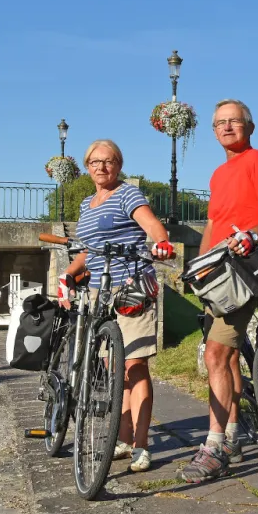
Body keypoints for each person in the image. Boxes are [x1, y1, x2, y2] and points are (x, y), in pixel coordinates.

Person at [182, 99, 258, 484]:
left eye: (234, 121)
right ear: (213, 132)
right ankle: (231, 435)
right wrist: (197, 268)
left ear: (250, 126)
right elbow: (213, 223)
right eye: (219, 123)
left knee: (216, 352)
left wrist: (252, 234)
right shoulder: (218, 174)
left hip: (245, 268)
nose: (226, 128)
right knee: (226, 358)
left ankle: (213, 447)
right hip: (220, 271)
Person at [59, 139, 174, 472]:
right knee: (115, 371)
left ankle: (141, 444)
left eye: (108, 161)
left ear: (119, 165)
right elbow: (88, 251)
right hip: (100, 294)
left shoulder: (128, 195)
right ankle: (121, 440)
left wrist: (162, 242)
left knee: (135, 367)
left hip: (131, 289)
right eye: (95, 162)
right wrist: (67, 276)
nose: (101, 167)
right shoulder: (86, 204)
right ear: (87, 166)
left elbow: (150, 223)